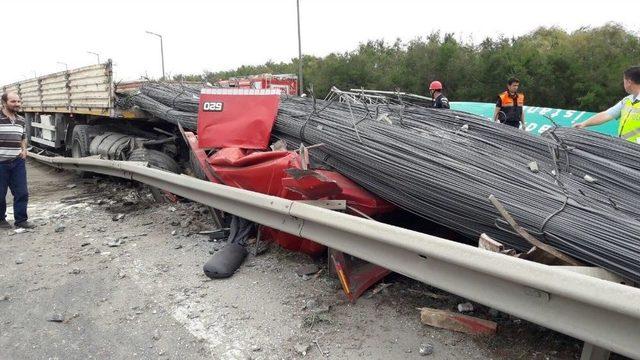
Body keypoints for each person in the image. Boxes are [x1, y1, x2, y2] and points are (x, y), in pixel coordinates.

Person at [573, 66, 640, 143]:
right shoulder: (627, 100)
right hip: (625, 147)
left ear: (629, 82)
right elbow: (606, 115)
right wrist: (583, 124)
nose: (623, 84)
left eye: (624, 81)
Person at [0, 92, 34, 229]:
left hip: (17, 162)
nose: (17, 104)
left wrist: (24, 150)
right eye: (13, 101)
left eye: (19, 101)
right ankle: (1, 220)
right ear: (4, 102)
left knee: (22, 192)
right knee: (0, 195)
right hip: (0, 163)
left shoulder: (20, 119)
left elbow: (23, 137)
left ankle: (21, 220)